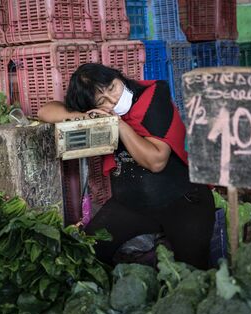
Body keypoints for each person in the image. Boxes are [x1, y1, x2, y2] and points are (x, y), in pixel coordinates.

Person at [38, 63, 215, 269]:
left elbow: (156, 161)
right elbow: (45, 111)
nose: (113, 99)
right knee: (87, 252)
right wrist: (86, 117)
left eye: (113, 87)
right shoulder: (98, 113)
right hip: (133, 203)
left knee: (194, 272)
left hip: (184, 201)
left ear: (118, 77)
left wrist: (119, 124)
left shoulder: (154, 96)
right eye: (102, 100)